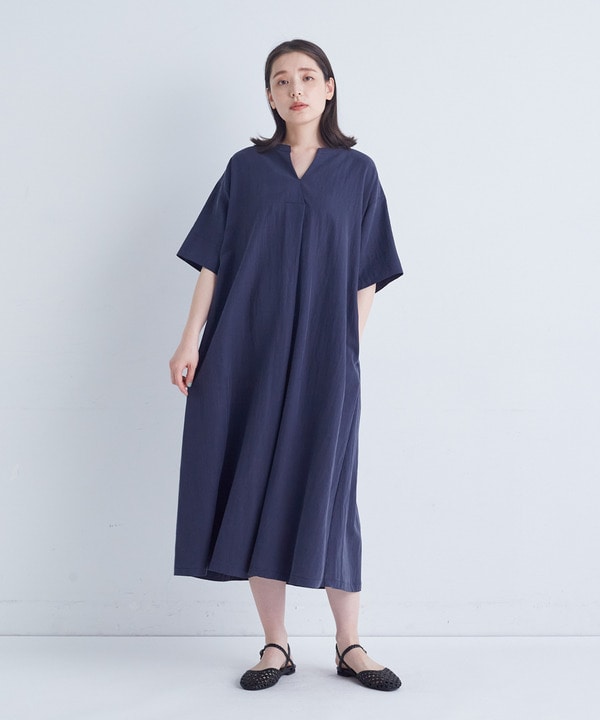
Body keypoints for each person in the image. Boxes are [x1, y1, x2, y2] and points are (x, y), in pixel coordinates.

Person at [169, 39, 403, 692]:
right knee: (254, 483)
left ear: (329, 87)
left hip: (328, 359)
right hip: (245, 351)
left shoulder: (357, 174)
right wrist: (190, 341)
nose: (295, 88)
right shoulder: (246, 171)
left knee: (330, 491)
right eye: (281, 80)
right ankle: (275, 644)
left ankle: (350, 644)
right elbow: (213, 261)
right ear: (270, 97)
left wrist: (346, 348)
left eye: (306, 76)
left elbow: (368, 274)